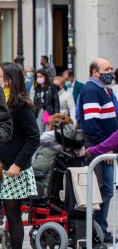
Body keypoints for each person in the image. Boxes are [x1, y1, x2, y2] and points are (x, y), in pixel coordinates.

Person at [0, 63, 40, 249]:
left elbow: (33, 138)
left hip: (14, 169)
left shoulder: (21, 105)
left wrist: (18, 164)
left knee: (13, 216)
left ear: (9, 80)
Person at [77, 57, 118, 242]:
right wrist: (104, 149)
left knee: (107, 189)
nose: (111, 71)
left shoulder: (106, 89)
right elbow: (92, 123)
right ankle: (94, 231)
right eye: (107, 68)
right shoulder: (92, 90)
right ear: (95, 72)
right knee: (99, 190)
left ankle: (99, 229)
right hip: (98, 146)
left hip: (106, 147)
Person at [33, 114, 85, 198]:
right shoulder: (75, 151)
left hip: (44, 194)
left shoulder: (48, 151)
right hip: (68, 195)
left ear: (52, 128)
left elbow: (36, 171)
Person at [30, 69, 60, 134]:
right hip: (39, 113)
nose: (39, 78)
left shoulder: (52, 87)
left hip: (49, 112)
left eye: (41, 76)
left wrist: (56, 115)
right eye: (37, 77)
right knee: (40, 133)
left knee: (48, 133)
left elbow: (56, 101)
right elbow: (35, 102)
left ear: (45, 77)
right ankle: (41, 144)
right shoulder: (37, 88)